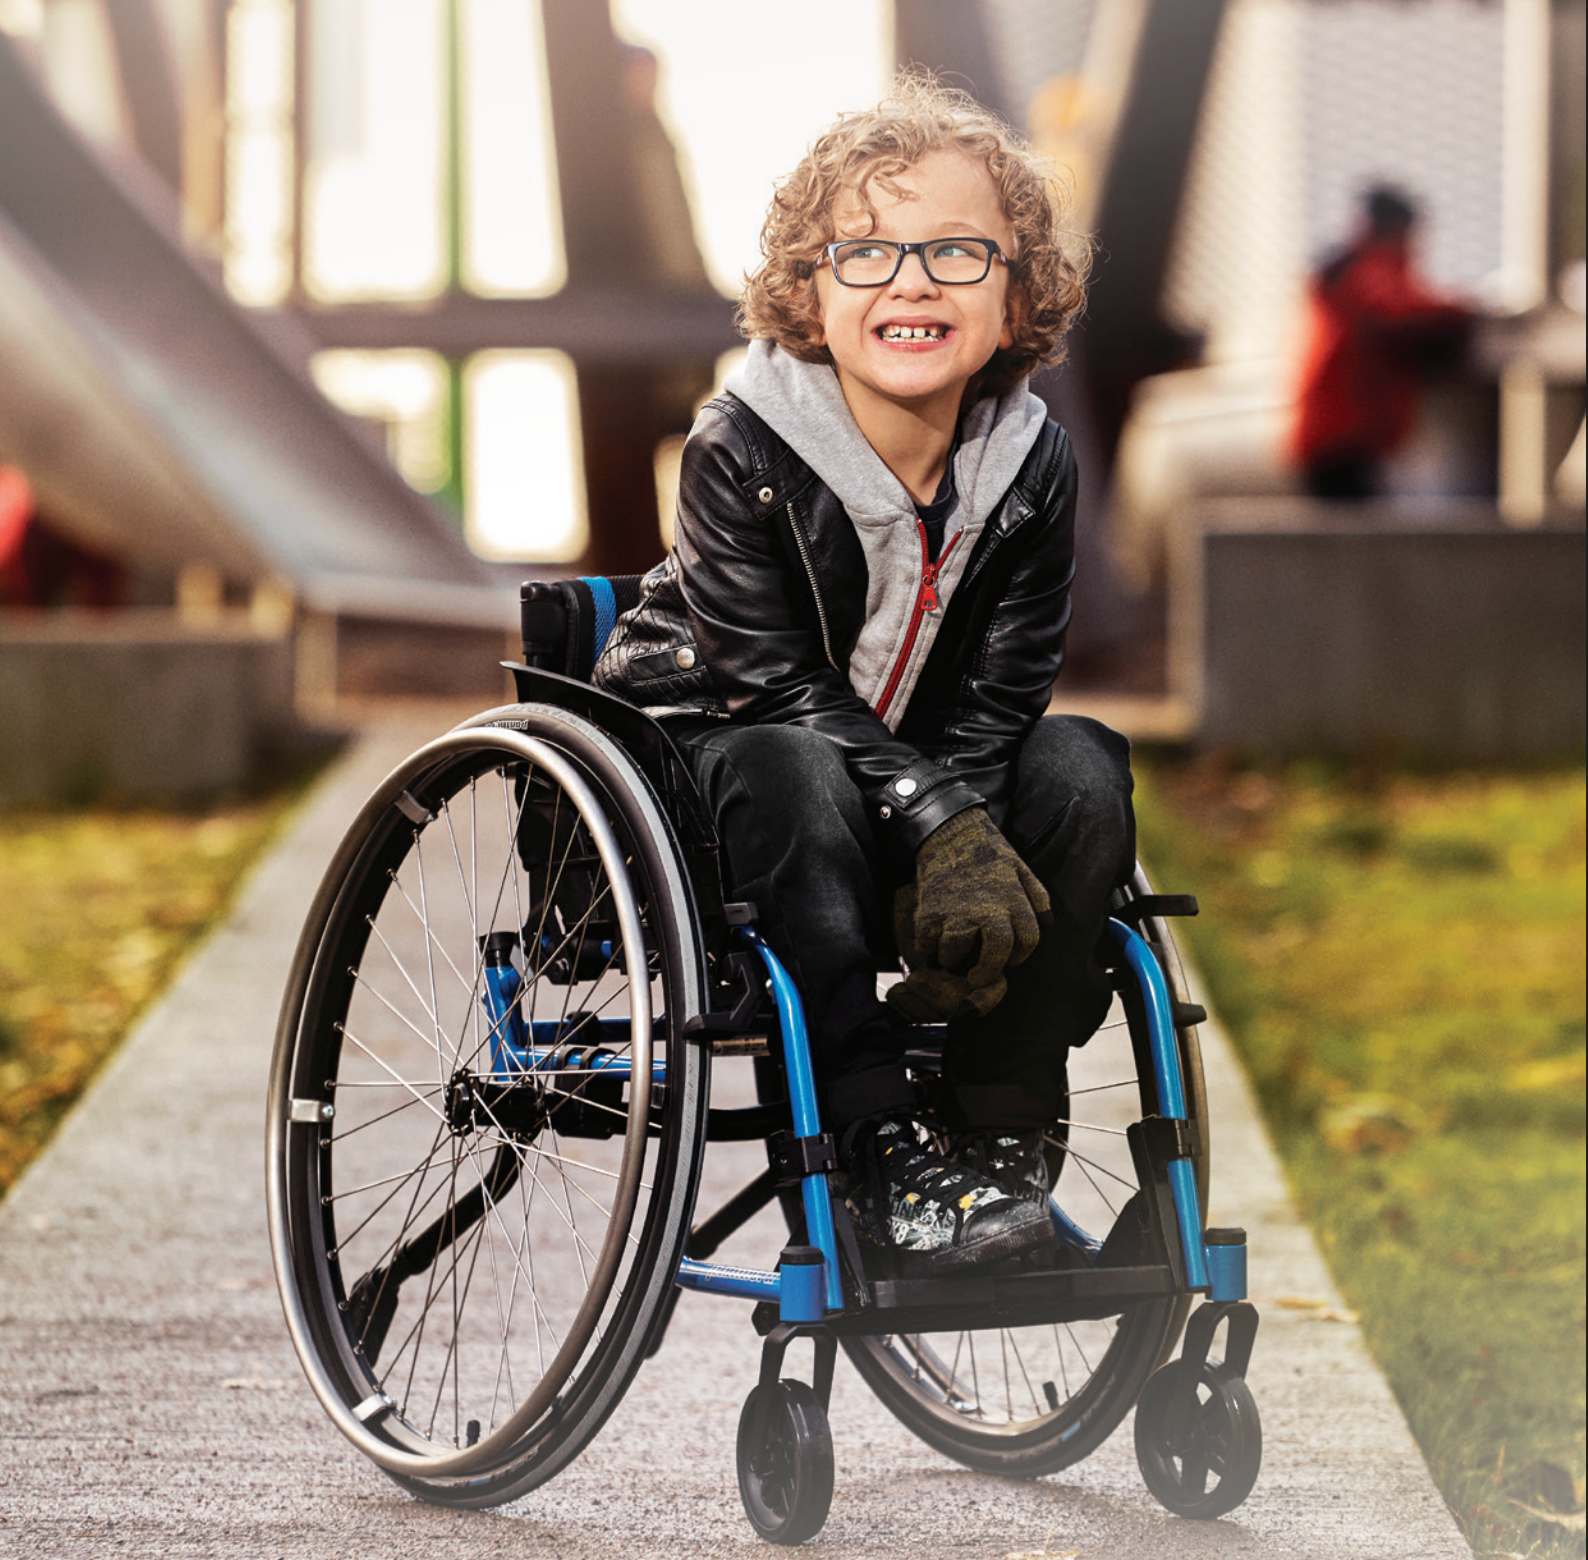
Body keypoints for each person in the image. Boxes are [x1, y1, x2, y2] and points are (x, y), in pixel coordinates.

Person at [593, 77, 1135, 1275]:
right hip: (729, 783)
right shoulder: (738, 447)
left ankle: (999, 1131)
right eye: (866, 252)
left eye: (955, 251)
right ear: (807, 289)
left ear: (1017, 294)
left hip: (915, 782)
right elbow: (771, 686)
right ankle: (879, 1140)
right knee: (787, 764)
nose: (911, 281)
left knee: (1084, 768)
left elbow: (1004, 694)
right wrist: (942, 825)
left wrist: (972, 833)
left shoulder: (1031, 460)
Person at [1289, 185, 1473, 499]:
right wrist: (1462, 308)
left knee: (1350, 534)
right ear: (1399, 228)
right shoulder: (1369, 269)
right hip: (1345, 439)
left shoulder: (1345, 268)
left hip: (1338, 435)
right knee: (1357, 537)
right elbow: (1397, 310)